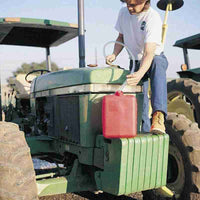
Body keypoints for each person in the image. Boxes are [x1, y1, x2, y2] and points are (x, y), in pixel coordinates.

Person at [106, 0, 168, 134]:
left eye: (133, 5)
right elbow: (121, 37)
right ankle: (143, 131)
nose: (129, 8)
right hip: (134, 60)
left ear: (145, 1)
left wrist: (140, 73)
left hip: (152, 58)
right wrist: (114, 54)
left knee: (157, 64)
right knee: (141, 101)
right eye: (127, 3)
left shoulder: (152, 18)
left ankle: (158, 117)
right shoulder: (123, 12)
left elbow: (149, 52)